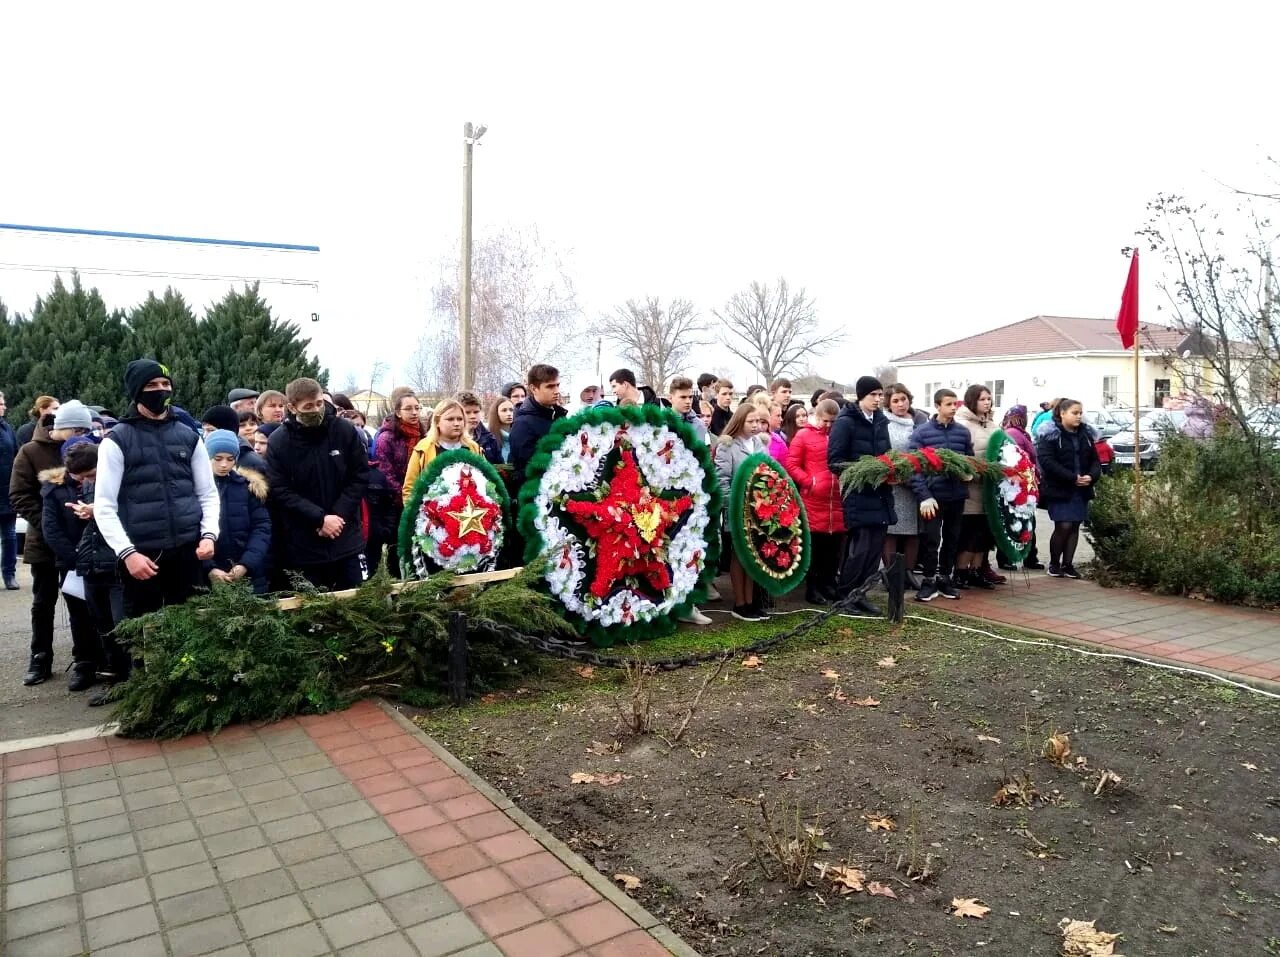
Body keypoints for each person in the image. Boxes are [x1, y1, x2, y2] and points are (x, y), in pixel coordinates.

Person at [94, 360, 222, 668]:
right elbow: (104, 506)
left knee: (194, 628)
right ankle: (150, 697)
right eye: (152, 386)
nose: (161, 391)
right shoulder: (116, 441)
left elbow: (207, 493)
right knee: (144, 635)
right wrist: (128, 554)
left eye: (165, 385)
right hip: (143, 557)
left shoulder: (189, 436)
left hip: (189, 551)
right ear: (137, 392)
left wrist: (209, 534)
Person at [11, 401, 100, 686]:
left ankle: (85, 659)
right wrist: (50, 523)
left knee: (79, 603)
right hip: (45, 542)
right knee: (43, 603)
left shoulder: (88, 447)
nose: (82, 435)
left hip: (82, 540)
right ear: (62, 428)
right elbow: (20, 495)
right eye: (77, 430)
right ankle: (40, 658)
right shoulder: (30, 451)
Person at [265, 377, 370, 590]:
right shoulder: (279, 442)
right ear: (292, 407)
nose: (316, 410)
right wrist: (319, 519)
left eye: (319, 403)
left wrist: (338, 516)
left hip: (346, 537)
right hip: (304, 545)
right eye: (308, 406)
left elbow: (359, 475)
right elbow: (280, 491)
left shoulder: (344, 431)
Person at [36, 435, 104, 692]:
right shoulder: (55, 490)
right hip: (74, 562)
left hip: (105, 559)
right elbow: (51, 530)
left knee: (105, 615)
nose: (83, 480)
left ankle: (109, 662)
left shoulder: (105, 482)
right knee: (79, 616)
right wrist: (76, 559)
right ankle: (84, 663)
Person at [827, 377, 894, 616]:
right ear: (861, 396)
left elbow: (887, 453)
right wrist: (865, 470)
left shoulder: (881, 421)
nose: (878, 400)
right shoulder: (846, 422)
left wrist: (890, 469)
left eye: (880, 395)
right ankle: (845, 596)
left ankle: (861, 594)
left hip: (880, 493)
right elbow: (835, 461)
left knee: (874, 550)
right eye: (873, 395)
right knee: (860, 549)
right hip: (858, 494)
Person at [908, 389, 974, 602]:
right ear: (937, 406)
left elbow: (970, 460)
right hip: (933, 498)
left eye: (955, 404)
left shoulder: (963, 433)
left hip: (956, 496)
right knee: (931, 539)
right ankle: (928, 580)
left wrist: (968, 474)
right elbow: (913, 467)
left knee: (952, 538)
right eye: (949, 404)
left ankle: (945, 578)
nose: (953, 408)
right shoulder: (922, 433)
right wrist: (924, 495)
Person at [786, 398, 844, 605]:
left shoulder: (839, 436)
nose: (828, 425)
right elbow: (792, 464)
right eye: (825, 421)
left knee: (833, 549)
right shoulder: (803, 435)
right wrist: (809, 482)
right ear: (817, 416)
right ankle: (813, 588)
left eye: (832, 422)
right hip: (813, 499)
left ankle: (829, 585)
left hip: (836, 501)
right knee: (816, 549)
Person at [1035, 398, 1101, 579]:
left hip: (1082, 489)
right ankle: (1054, 564)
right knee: (1063, 525)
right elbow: (1047, 462)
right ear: (1062, 413)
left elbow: (1095, 460)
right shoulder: (1051, 435)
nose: (1079, 416)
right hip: (1059, 488)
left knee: (1074, 526)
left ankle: (1068, 564)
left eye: (1080, 413)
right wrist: (1072, 478)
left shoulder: (1085, 435)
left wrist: (1091, 476)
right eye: (1074, 413)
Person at [715, 402, 768, 621]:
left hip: (759, 510)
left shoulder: (759, 443)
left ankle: (752, 601)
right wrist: (734, 504)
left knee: (754, 556)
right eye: (751, 421)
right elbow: (722, 480)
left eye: (759, 421)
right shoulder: (728, 446)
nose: (756, 426)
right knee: (739, 556)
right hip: (738, 509)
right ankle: (740, 603)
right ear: (740, 421)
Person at [202, 430, 272, 594]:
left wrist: (246, 563)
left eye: (230, 459)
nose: (224, 465)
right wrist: (209, 567)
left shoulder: (248, 487)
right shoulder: (197, 489)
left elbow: (261, 527)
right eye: (217, 459)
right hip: (207, 577)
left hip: (250, 574)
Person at [954, 384, 1000, 590]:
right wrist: (975, 472)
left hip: (990, 490)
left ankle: (976, 571)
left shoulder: (992, 425)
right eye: (982, 399)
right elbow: (961, 457)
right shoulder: (962, 424)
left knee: (984, 536)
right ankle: (961, 572)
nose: (987, 402)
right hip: (971, 489)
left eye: (989, 398)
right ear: (972, 400)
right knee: (969, 534)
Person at [882, 385, 924, 588]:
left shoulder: (920, 421)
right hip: (892, 484)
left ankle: (908, 571)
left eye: (903, 399)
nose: (900, 404)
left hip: (915, 484)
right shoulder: (883, 423)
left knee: (913, 530)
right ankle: (891, 573)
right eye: (895, 401)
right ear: (889, 404)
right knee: (892, 529)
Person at [402, 399, 481, 504]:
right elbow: (410, 488)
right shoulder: (423, 449)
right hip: (431, 515)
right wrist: (417, 515)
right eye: (450, 419)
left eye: (460, 419)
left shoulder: (474, 448)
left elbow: (485, 482)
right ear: (437, 422)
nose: (456, 423)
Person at [997, 405, 1044, 571]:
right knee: (1014, 521)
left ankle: (1029, 556)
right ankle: (1010, 557)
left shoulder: (1022, 433)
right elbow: (1015, 458)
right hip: (1015, 487)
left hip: (1025, 484)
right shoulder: (1013, 433)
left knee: (1027, 522)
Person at [509, 364, 568, 488]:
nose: (556, 391)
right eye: (550, 386)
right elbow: (526, 469)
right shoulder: (522, 424)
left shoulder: (558, 415)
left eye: (557, 385)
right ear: (534, 388)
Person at [202, 405, 268, 473]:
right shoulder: (202, 455)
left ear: (227, 430)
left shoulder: (252, 462)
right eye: (204, 430)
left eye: (210, 430)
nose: (204, 435)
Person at [0, 391, 18, 589]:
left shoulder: (7, 428)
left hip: (7, 491)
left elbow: (16, 455)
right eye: (1, 404)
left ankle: (9, 574)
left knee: (10, 536)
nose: (4, 407)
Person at [461, 391, 500, 463]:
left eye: (476, 412)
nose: (473, 416)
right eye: (467, 412)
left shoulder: (490, 439)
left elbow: (500, 469)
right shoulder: (450, 441)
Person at [484, 396, 515, 464]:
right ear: (496, 413)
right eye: (504, 410)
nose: (509, 414)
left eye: (511, 410)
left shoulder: (521, 434)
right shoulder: (489, 438)